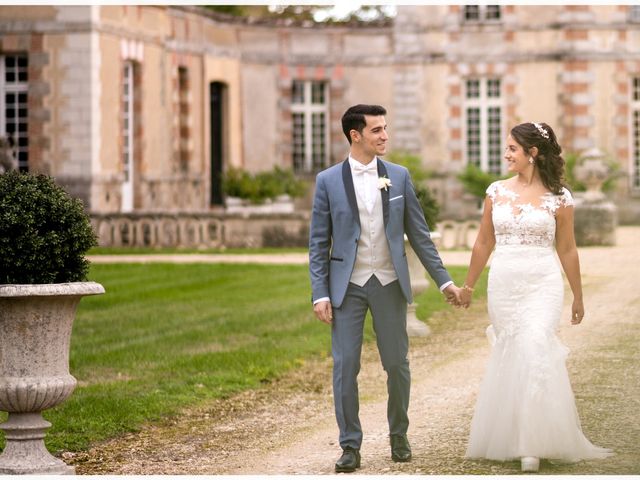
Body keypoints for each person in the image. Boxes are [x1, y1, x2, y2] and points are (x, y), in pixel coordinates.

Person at [308, 104, 463, 473]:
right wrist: (320, 292)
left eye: (385, 128)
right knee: (345, 367)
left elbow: (420, 236)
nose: (385, 136)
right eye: (377, 130)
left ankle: (399, 435)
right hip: (348, 286)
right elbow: (318, 242)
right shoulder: (327, 181)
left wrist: (444, 281)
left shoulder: (399, 176)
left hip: (390, 283)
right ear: (355, 135)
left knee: (397, 364)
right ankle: (350, 445)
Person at [459, 122, 613, 472]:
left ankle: (532, 443)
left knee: (534, 347)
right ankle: (511, 434)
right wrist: (468, 287)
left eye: (513, 148)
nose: (506, 154)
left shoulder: (560, 197)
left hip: (542, 283)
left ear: (533, 153)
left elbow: (568, 249)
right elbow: (484, 242)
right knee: (512, 350)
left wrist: (578, 296)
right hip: (505, 283)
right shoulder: (496, 191)